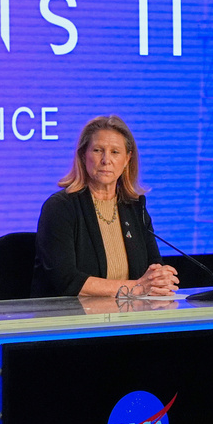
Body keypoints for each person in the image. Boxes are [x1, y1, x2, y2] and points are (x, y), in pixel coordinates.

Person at [32, 115, 179, 298]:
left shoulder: (134, 207)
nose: (106, 160)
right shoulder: (61, 207)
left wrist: (160, 279)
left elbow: (153, 266)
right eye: (98, 150)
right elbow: (67, 280)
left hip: (130, 319)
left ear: (127, 159)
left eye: (115, 152)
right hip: (73, 320)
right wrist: (137, 288)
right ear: (83, 155)